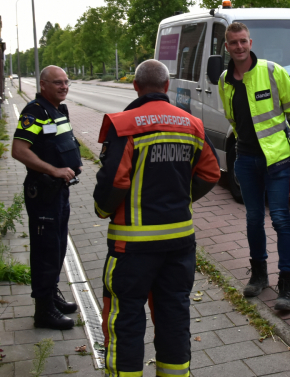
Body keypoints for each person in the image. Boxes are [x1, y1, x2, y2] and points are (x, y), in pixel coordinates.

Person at [93, 60, 220, 377]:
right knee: (174, 314)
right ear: (167, 87)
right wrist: (182, 198)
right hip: (179, 244)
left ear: (136, 86)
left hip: (132, 247)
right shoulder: (191, 124)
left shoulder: (125, 125)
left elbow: (115, 182)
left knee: (125, 319)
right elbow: (210, 172)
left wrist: (102, 210)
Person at [218, 21, 290, 311]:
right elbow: (232, 119)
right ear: (227, 46)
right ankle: (259, 275)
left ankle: (287, 284)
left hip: (276, 158)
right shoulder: (225, 80)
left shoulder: (272, 71)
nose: (239, 46)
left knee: (281, 220)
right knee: (252, 219)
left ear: (250, 42)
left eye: (243, 41)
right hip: (246, 159)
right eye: (233, 42)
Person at [11, 65, 82, 330]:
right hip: (44, 191)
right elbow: (19, 150)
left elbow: (61, 142)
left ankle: (51, 294)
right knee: (45, 251)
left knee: (58, 247)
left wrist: (75, 163)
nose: (64, 86)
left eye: (66, 82)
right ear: (43, 85)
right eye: (57, 83)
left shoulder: (58, 109)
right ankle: (43, 310)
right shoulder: (35, 112)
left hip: (59, 191)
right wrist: (53, 170)